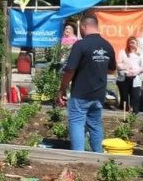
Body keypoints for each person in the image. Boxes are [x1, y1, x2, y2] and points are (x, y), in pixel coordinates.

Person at [58, 14, 116, 152]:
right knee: (95, 124)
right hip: (98, 94)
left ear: (84, 26)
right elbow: (112, 69)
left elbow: (70, 70)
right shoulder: (107, 46)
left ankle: (79, 157)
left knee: (77, 123)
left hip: (81, 94)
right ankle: (98, 156)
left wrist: (62, 89)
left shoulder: (80, 45)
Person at [116, 36, 143, 113]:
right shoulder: (123, 52)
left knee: (135, 98)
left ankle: (134, 114)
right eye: (130, 42)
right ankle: (125, 115)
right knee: (125, 99)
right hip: (124, 78)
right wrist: (126, 69)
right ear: (127, 43)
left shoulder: (140, 53)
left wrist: (136, 72)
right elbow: (118, 64)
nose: (132, 44)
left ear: (137, 44)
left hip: (136, 78)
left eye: (134, 42)